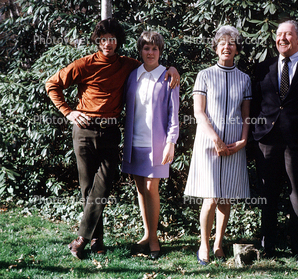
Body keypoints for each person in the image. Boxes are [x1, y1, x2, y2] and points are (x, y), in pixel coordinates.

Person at [45, 18, 180, 259]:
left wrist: (172, 68)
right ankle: (97, 240)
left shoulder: (127, 65)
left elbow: (152, 65)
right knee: (88, 188)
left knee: (104, 185)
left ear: (119, 42)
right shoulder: (83, 64)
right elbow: (52, 84)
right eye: (103, 39)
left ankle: (82, 238)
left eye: (113, 39)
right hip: (84, 130)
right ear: (97, 40)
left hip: (110, 132)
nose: (108, 43)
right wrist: (69, 112)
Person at [251, 20, 298, 261]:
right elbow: (254, 105)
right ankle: (268, 246)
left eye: (287, 34)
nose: (282, 38)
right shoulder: (263, 67)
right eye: (278, 34)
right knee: (268, 194)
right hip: (267, 140)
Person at [184, 25, 251, 265]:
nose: (227, 46)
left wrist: (243, 140)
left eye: (231, 43)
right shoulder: (204, 75)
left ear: (236, 49)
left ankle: (219, 244)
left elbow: (246, 115)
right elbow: (199, 113)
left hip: (234, 143)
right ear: (216, 48)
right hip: (209, 141)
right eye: (222, 43)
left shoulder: (244, 79)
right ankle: (203, 244)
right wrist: (215, 139)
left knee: (226, 198)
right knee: (211, 196)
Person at [122, 31, 179, 260]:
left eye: (155, 48)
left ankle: (154, 238)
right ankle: (146, 235)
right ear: (140, 51)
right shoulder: (132, 75)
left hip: (156, 144)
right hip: (134, 142)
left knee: (151, 188)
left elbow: (173, 114)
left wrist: (171, 142)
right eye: (146, 48)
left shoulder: (168, 76)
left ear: (160, 51)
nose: (150, 52)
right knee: (139, 190)